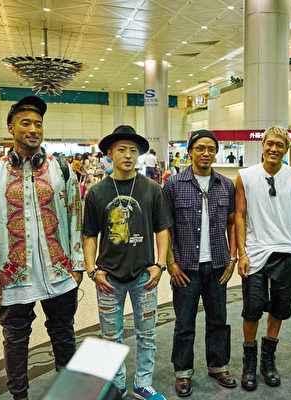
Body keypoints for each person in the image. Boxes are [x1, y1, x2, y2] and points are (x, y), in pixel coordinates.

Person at [0, 96, 85, 400]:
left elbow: (76, 216)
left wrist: (77, 263)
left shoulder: (61, 169)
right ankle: (19, 395)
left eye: (38, 124)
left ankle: (68, 390)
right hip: (12, 275)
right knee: (15, 338)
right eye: (26, 123)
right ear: (11, 128)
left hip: (59, 271)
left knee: (64, 332)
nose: (34, 129)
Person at [83, 125, 172, 400]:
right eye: (122, 149)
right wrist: (92, 271)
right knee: (111, 337)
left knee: (147, 334)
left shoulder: (152, 189)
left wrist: (160, 265)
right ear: (110, 153)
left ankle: (143, 383)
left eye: (133, 151)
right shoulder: (97, 192)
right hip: (108, 277)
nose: (128, 155)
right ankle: (118, 385)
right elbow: (89, 235)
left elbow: (162, 229)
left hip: (144, 276)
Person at [163, 129, 237, 397]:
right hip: (185, 266)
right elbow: (165, 227)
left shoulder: (226, 185)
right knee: (184, 323)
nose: (206, 153)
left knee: (219, 320)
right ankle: (183, 372)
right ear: (190, 152)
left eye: (211, 149)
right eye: (200, 148)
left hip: (218, 265)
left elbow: (232, 223)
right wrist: (170, 263)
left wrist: (232, 257)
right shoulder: (173, 185)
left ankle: (219, 366)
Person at [235, 125, 291, 391]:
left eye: (280, 145)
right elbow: (239, 215)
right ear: (263, 145)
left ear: (286, 149)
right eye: (270, 143)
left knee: (279, 308)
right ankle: (249, 362)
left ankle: (268, 360)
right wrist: (242, 252)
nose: (274, 149)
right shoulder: (245, 176)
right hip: (254, 253)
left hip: (286, 253)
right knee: (252, 309)